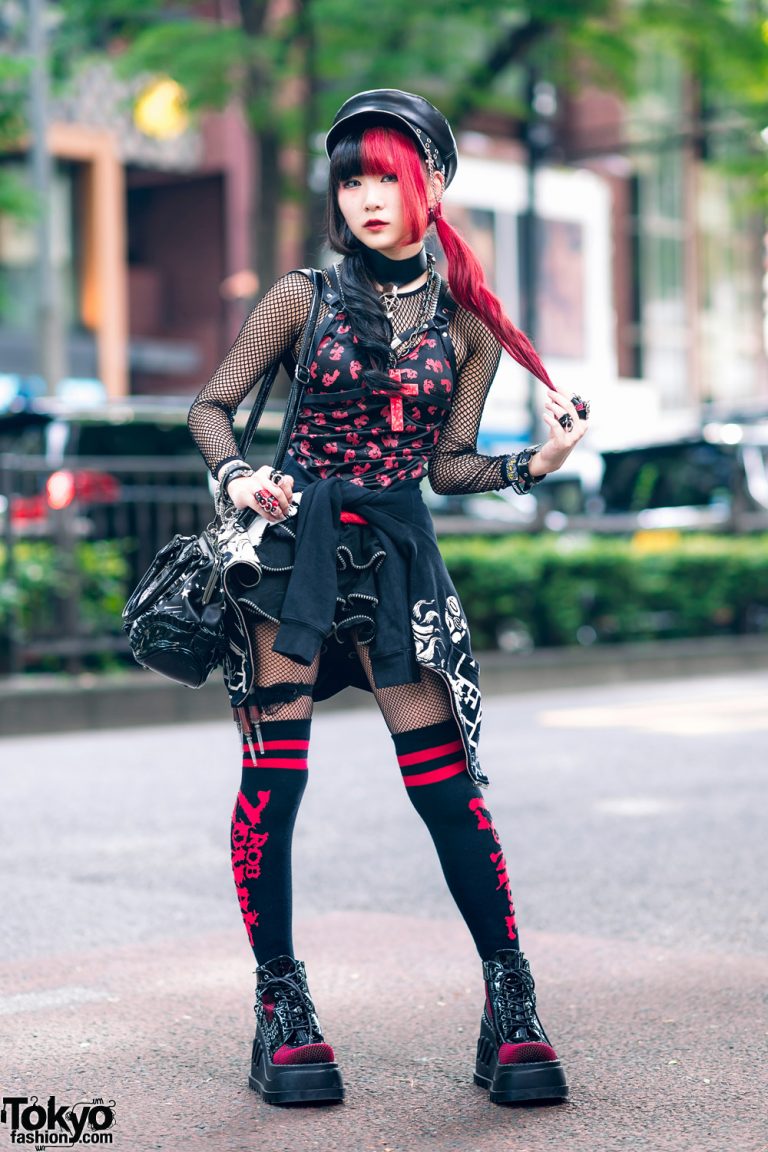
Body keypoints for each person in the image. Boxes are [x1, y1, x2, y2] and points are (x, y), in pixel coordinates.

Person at [187, 89, 589, 1108]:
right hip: (293, 559)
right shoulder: (302, 297)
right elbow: (212, 406)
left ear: (434, 186)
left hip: (402, 560)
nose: (368, 195)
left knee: (448, 787)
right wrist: (241, 478)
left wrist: (537, 461)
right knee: (275, 785)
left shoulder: (469, 331)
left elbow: (448, 466)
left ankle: (511, 1000)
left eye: (389, 175)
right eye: (353, 177)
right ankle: (280, 1003)